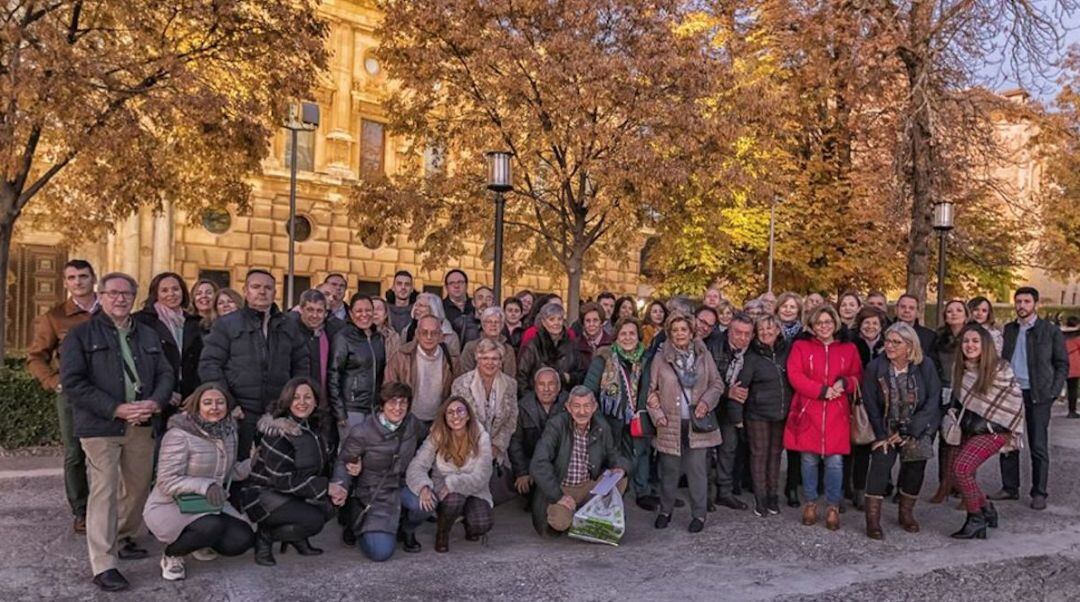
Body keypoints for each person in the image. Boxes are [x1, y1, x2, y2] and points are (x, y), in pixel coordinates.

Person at [60, 272, 174, 592]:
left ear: (134, 297)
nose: (120, 298)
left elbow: (166, 372)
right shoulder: (80, 335)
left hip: (142, 422)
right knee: (104, 490)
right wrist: (116, 408)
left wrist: (155, 402)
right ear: (102, 296)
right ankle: (104, 563)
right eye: (113, 293)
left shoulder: (149, 335)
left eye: (126, 293)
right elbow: (73, 383)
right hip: (101, 425)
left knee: (137, 488)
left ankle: (123, 536)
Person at [144, 383, 254, 581]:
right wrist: (206, 486)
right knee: (211, 525)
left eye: (220, 402)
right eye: (208, 402)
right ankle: (172, 554)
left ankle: (199, 542)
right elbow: (166, 481)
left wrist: (253, 463)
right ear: (197, 406)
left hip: (208, 504)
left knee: (242, 540)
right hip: (172, 505)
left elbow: (229, 474)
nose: (214, 407)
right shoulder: (179, 435)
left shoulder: (229, 432)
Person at [199, 269, 310, 460]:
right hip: (240, 413)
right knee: (238, 469)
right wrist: (229, 403)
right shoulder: (227, 324)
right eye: (256, 287)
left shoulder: (289, 325)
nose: (262, 292)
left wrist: (291, 401)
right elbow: (210, 365)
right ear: (245, 290)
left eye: (268, 288)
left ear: (275, 293)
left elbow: (301, 364)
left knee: (273, 468)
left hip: (277, 413)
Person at [26, 259, 97, 534]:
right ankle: (81, 511)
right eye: (71, 277)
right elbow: (35, 356)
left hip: (109, 394)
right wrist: (54, 382)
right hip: (73, 396)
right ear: (65, 282)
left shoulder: (109, 311)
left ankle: (114, 509)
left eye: (83, 276)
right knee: (75, 453)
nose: (78, 282)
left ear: (94, 279)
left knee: (112, 454)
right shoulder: (55, 317)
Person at [783, 305, 862, 532]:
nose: (824, 327)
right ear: (812, 326)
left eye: (827, 322)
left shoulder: (848, 348)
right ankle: (810, 502)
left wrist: (844, 384)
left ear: (835, 323)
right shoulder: (801, 346)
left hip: (837, 411)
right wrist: (821, 390)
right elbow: (795, 374)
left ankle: (833, 506)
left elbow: (858, 375)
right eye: (819, 323)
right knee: (808, 459)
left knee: (835, 461)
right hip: (809, 409)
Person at [860, 323, 941, 540]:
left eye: (897, 342)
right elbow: (870, 404)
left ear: (910, 345)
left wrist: (911, 430)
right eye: (888, 341)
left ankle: (906, 513)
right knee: (879, 466)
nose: (890, 346)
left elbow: (933, 399)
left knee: (915, 469)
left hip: (916, 428)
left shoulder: (925, 366)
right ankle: (873, 520)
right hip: (885, 428)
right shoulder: (875, 367)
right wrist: (882, 434)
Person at [240, 377, 333, 566]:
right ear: (287, 400)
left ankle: (296, 537)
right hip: (263, 494)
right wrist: (325, 487)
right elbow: (282, 480)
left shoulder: (314, 426)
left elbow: (322, 463)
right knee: (314, 520)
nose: (302, 402)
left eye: (308, 397)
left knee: (333, 505)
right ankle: (265, 536)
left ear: (316, 401)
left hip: (292, 490)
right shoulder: (277, 432)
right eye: (296, 397)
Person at [990, 287, 1068, 510]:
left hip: (1038, 394)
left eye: (1026, 301)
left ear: (1036, 304)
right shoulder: (1010, 329)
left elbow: (1062, 364)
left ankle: (1039, 492)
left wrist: (1052, 392)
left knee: (1038, 444)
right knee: (1008, 441)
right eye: (1018, 301)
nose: (1021, 305)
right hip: (1011, 393)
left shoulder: (1049, 331)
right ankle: (1009, 487)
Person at [646, 313, 724, 533]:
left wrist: (706, 403)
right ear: (669, 334)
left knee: (697, 471)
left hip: (697, 423)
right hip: (669, 422)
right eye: (675, 330)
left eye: (684, 329)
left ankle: (699, 515)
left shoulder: (703, 355)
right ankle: (665, 510)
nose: (680, 333)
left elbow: (717, 384)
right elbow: (651, 391)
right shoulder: (661, 358)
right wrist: (656, 413)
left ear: (691, 333)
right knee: (669, 470)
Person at [329, 382, 425, 560]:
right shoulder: (362, 431)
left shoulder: (413, 424)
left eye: (403, 402)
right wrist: (340, 486)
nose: (397, 408)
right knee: (380, 553)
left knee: (425, 502)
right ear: (382, 404)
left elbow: (428, 443)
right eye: (392, 402)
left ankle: (406, 530)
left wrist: (425, 480)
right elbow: (344, 462)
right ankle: (360, 526)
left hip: (402, 485)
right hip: (374, 491)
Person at [950, 325, 1025, 539]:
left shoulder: (1000, 369)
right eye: (966, 341)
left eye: (975, 341)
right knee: (960, 471)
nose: (970, 345)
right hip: (972, 428)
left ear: (985, 344)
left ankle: (976, 519)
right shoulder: (961, 369)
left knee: (962, 468)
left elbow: (1014, 404)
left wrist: (999, 423)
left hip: (997, 430)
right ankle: (987, 508)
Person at [529, 386, 631, 536]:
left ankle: (586, 513)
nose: (582, 412)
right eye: (576, 406)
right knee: (560, 522)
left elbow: (614, 455)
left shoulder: (601, 426)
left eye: (586, 406)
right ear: (568, 407)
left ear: (594, 407)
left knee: (621, 479)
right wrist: (559, 496)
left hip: (588, 487)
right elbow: (538, 463)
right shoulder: (556, 425)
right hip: (562, 487)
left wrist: (621, 467)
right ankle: (582, 515)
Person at [405, 396, 494, 553]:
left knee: (482, 523)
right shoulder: (437, 435)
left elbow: (483, 474)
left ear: (468, 415)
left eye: (460, 411)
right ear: (445, 418)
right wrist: (423, 487)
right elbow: (417, 465)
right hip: (445, 491)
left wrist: (454, 482)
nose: (455, 416)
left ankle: (468, 521)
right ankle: (443, 532)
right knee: (454, 498)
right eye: (450, 412)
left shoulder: (481, 437)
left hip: (475, 489)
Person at [584, 317, 654, 510]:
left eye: (632, 333)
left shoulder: (647, 359)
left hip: (637, 415)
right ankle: (612, 492)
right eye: (623, 333)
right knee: (612, 455)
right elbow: (589, 389)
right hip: (609, 417)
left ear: (638, 336)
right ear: (616, 337)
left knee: (640, 451)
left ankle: (642, 491)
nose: (628, 337)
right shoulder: (603, 358)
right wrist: (596, 418)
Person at [451, 338, 519, 501]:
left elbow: (511, 420)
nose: (490, 363)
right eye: (485, 358)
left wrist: (496, 446)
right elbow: (456, 420)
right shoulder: (461, 384)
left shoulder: (510, 384)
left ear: (501, 361)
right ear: (477, 358)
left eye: (495, 358)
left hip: (495, 452)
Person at [738, 314, 791, 517]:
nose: (766, 333)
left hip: (781, 411)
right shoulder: (752, 357)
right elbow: (742, 386)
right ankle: (760, 498)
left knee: (775, 456)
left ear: (777, 330)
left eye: (770, 329)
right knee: (759, 455)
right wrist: (737, 417)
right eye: (761, 330)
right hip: (757, 413)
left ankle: (772, 496)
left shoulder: (787, 351)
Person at [707, 312, 755, 511]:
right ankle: (706, 494)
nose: (742, 338)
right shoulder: (713, 345)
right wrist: (728, 392)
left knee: (729, 449)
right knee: (706, 452)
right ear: (729, 331)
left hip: (733, 409)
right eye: (738, 333)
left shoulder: (752, 352)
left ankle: (724, 492)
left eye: (747, 334)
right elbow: (705, 379)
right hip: (709, 404)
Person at [134, 272, 204, 405]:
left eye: (175, 289)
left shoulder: (195, 322)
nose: (171, 294)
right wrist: (163, 393)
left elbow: (202, 361)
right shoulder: (142, 321)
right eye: (164, 290)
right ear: (156, 294)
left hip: (190, 397)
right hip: (155, 396)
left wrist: (198, 392)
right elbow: (139, 362)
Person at [846, 305, 889, 510]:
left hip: (884, 401)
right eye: (866, 323)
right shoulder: (851, 343)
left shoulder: (888, 344)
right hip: (858, 400)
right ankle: (857, 489)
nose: (870, 327)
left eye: (875, 323)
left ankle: (879, 488)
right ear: (859, 325)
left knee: (882, 446)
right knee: (860, 444)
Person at [928, 299, 969, 504]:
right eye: (949, 311)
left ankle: (964, 489)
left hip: (966, 392)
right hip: (944, 391)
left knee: (966, 440)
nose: (954, 314)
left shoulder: (973, 336)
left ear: (966, 314)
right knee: (946, 439)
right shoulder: (939, 338)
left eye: (958, 310)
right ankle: (944, 485)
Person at [328, 294, 388, 435]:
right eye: (359, 311)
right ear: (351, 313)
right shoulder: (343, 337)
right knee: (350, 453)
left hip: (374, 409)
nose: (364, 315)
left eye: (368, 310)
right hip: (351, 409)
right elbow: (333, 375)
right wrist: (339, 412)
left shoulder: (378, 338)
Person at [385, 315, 457, 426]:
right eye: (424, 332)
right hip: (408, 420)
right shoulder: (401, 356)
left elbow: (457, 391)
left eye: (434, 333)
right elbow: (389, 389)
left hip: (439, 422)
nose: (429, 337)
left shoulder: (452, 358)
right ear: (417, 334)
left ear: (441, 336)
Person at [509, 368, 568, 503]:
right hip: (532, 464)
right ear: (535, 387)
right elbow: (515, 442)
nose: (546, 389)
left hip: (561, 465)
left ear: (558, 387)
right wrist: (522, 472)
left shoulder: (569, 404)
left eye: (551, 384)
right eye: (541, 384)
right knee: (531, 493)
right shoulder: (523, 406)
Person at [517, 303, 585, 394]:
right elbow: (521, 376)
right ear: (544, 322)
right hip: (536, 399)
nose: (556, 323)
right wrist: (529, 401)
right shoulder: (533, 345)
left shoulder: (572, 345)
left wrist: (567, 378)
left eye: (559, 319)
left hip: (564, 398)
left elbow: (581, 373)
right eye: (551, 319)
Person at [458, 307, 517, 377]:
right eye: (489, 322)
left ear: (501, 326)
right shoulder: (470, 347)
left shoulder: (508, 350)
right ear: (483, 325)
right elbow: (464, 374)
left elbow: (510, 376)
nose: (493, 325)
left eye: (497, 322)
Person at [894, 294, 938, 363]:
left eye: (911, 308)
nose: (907, 310)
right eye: (903, 307)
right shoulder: (885, 333)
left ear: (917, 312)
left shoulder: (930, 337)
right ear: (896, 309)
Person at [442, 269, 479, 345]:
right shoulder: (440, 307)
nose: (456, 286)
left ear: (466, 285)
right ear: (446, 287)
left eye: (460, 282)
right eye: (452, 283)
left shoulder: (476, 305)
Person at [575, 302, 612, 373]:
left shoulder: (611, 343)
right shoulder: (575, 345)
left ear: (601, 322)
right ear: (583, 324)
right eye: (588, 321)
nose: (591, 324)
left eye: (595, 320)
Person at [386, 270, 418, 334]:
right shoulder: (385, 311)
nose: (403, 287)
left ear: (412, 289)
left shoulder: (417, 312)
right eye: (399, 284)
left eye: (407, 284)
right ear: (393, 288)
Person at [1065, 315, 1080, 419]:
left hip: (1062, 364)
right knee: (1073, 389)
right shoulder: (1077, 338)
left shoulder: (1061, 336)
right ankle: (1072, 411)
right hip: (1075, 365)